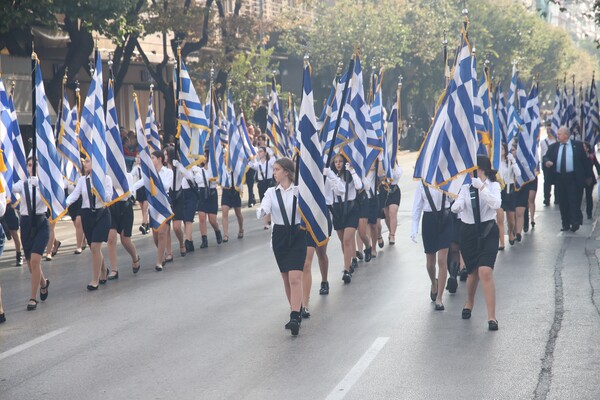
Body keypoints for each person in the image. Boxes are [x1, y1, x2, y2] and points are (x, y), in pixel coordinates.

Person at [451, 155, 502, 331]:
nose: (473, 173)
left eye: (476, 169)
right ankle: (469, 302)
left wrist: (482, 189)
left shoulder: (493, 186)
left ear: (483, 169)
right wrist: (456, 206)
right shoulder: (465, 187)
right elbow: (457, 205)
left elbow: (496, 204)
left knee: (485, 271)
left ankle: (492, 317)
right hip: (468, 233)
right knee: (472, 273)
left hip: (488, 231)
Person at [256, 157, 306, 336]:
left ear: (286, 171)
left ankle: (294, 316)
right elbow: (265, 206)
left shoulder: (299, 190)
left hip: (298, 234)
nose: (274, 172)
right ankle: (296, 308)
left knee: (295, 277)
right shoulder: (271, 192)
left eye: (277, 169)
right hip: (280, 236)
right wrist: (262, 211)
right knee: (286, 277)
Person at [66, 157, 113, 290]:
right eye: (84, 161)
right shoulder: (82, 180)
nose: (84, 163)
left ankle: (94, 279)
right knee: (93, 248)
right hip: (87, 214)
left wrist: (99, 189)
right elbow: (75, 195)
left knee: (96, 247)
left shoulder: (106, 179)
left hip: (101, 214)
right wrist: (64, 204)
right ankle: (104, 271)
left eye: (88, 161)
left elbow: (109, 198)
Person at [12, 158, 51, 309]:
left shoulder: (44, 185)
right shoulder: (22, 184)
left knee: (35, 261)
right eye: (29, 165)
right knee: (31, 265)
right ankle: (43, 283)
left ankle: (32, 298)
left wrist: (39, 187)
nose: (31, 168)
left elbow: (49, 199)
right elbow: (10, 188)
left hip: (41, 223)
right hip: (26, 224)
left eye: (34, 165)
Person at [411, 182, 453, 310]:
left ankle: (439, 298)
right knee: (430, 263)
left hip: (445, 217)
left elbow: (453, 198)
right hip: (429, 220)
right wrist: (414, 228)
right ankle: (433, 283)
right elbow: (417, 206)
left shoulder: (447, 177)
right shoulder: (422, 182)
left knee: (442, 260)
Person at [543, 126, 591, 232]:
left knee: (574, 200)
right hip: (560, 178)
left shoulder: (577, 146)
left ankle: (575, 222)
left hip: (573, 178)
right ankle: (565, 223)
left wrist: (588, 177)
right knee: (563, 202)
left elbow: (585, 162)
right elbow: (546, 157)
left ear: (566, 135)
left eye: (559, 134)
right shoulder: (554, 147)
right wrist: (547, 162)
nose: (557, 135)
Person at [330, 154, 363, 283]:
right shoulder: (331, 177)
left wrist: (352, 171)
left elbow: (359, 186)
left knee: (347, 240)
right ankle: (348, 262)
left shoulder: (349, 175)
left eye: (341, 161)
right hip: (337, 209)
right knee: (343, 242)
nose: (338, 164)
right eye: (336, 161)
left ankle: (346, 270)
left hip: (351, 208)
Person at [106, 172, 141, 279]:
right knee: (111, 238)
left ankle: (135, 257)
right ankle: (114, 269)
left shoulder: (128, 176)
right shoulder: (106, 176)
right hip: (111, 207)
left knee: (125, 240)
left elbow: (131, 193)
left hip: (125, 208)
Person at [150, 150, 173, 269]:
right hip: (153, 204)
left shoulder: (168, 172)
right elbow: (141, 183)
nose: (151, 160)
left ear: (159, 159)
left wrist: (154, 180)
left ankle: (159, 261)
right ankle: (162, 252)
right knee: (155, 234)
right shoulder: (148, 174)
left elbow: (166, 186)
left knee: (163, 232)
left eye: (153, 157)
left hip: (164, 203)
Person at [196, 149, 222, 248]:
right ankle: (204, 239)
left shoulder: (214, 168)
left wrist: (213, 178)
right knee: (202, 217)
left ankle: (217, 231)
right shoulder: (199, 169)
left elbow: (219, 180)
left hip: (212, 193)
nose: (203, 158)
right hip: (202, 193)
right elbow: (197, 181)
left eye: (205, 156)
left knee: (212, 220)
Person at [498, 143, 521, 246]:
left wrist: (513, 161)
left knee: (511, 220)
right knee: (499, 218)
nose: (501, 150)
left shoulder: (509, 161)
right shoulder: (495, 162)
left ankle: (510, 231)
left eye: (503, 148)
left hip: (509, 189)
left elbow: (518, 173)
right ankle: (501, 242)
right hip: (499, 189)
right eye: (500, 148)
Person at [164, 147, 185, 257]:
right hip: (168, 198)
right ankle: (169, 252)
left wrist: (178, 166)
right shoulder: (163, 169)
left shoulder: (177, 167)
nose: (164, 157)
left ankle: (182, 243)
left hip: (177, 197)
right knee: (166, 228)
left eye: (166, 154)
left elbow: (188, 175)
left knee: (176, 227)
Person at [248, 146, 276, 229]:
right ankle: (266, 222)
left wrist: (269, 151)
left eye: (261, 151)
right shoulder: (258, 163)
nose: (259, 153)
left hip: (269, 183)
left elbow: (274, 159)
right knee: (263, 202)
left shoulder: (270, 161)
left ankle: (272, 219)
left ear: (265, 152)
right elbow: (251, 165)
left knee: (272, 202)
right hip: (261, 184)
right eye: (258, 151)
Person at [132, 155, 150, 234]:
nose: (138, 159)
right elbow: (131, 174)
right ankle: (147, 223)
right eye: (137, 157)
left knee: (145, 208)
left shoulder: (145, 168)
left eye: (140, 157)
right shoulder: (136, 168)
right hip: (139, 190)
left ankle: (144, 224)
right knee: (142, 208)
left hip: (145, 188)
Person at [539, 128, 557, 206]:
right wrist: (542, 164)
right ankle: (547, 198)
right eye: (547, 130)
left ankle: (557, 198)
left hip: (554, 162)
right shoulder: (543, 142)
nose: (548, 131)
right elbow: (542, 153)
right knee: (547, 182)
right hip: (546, 163)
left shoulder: (556, 141)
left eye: (550, 130)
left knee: (557, 181)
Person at [583, 142, 600, 220]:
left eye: (584, 147)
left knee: (588, 196)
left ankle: (589, 213)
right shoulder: (578, 155)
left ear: (588, 148)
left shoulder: (591, 156)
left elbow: (597, 165)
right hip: (580, 178)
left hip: (589, 178)